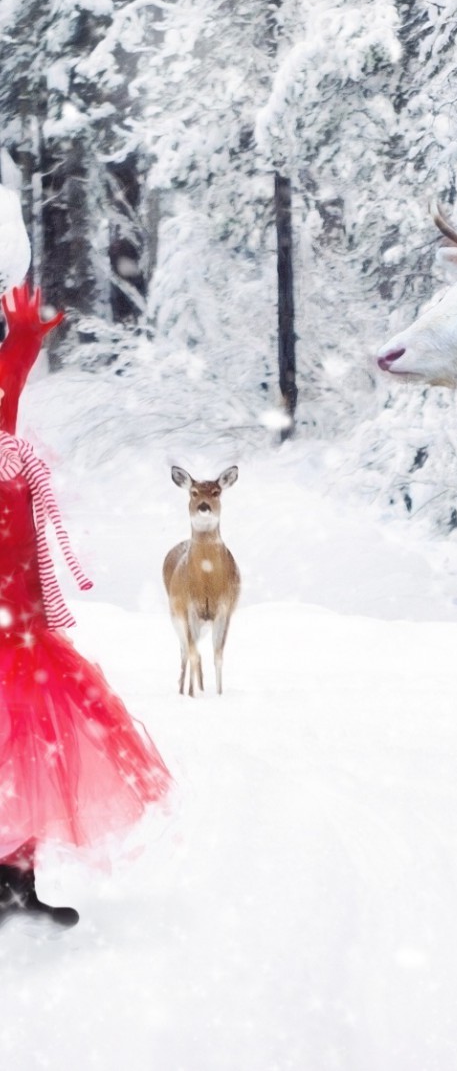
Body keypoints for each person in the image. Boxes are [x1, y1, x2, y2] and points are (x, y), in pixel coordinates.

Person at [0, 285, 171, 930]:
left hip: (19, 630)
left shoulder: (10, 457)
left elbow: (4, 399)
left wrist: (19, 343)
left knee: (25, 750)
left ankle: (15, 884)